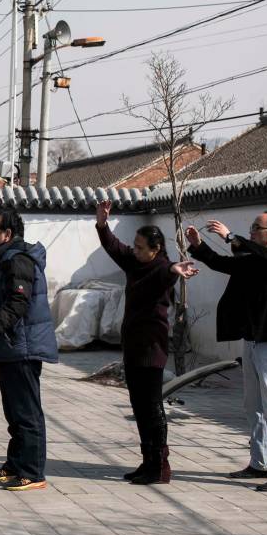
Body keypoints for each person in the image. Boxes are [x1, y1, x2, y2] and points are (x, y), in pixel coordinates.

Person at [187, 212, 267, 492]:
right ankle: (260, 463)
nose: (250, 232)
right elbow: (223, 263)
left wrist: (230, 237)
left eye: (256, 228)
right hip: (253, 340)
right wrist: (199, 245)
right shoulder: (254, 260)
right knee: (254, 407)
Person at [95, 201, 199, 485]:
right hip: (133, 346)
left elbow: (166, 273)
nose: (135, 250)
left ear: (156, 249)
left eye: (141, 248)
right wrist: (102, 224)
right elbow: (114, 247)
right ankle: (147, 460)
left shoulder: (162, 268)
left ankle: (160, 466)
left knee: (152, 406)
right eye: (136, 246)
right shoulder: (135, 263)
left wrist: (175, 268)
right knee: (139, 406)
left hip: (152, 347)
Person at [0, 210, 58, 492]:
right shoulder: (6, 259)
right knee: (14, 411)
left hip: (23, 346)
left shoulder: (18, 260)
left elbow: (18, 303)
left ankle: (33, 472)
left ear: (7, 234)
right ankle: (15, 464)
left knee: (27, 412)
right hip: (11, 346)